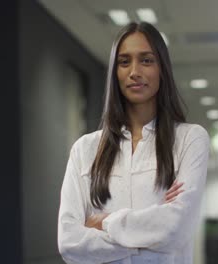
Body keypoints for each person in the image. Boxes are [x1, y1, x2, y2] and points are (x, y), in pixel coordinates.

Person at [57, 21, 210, 264]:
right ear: (115, 72)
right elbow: (69, 242)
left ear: (162, 68)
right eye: (124, 62)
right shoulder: (84, 150)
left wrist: (105, 222)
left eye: (146, 60)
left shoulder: (190, 139)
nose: (134, 71)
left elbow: (175, 230)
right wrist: (150, 236)